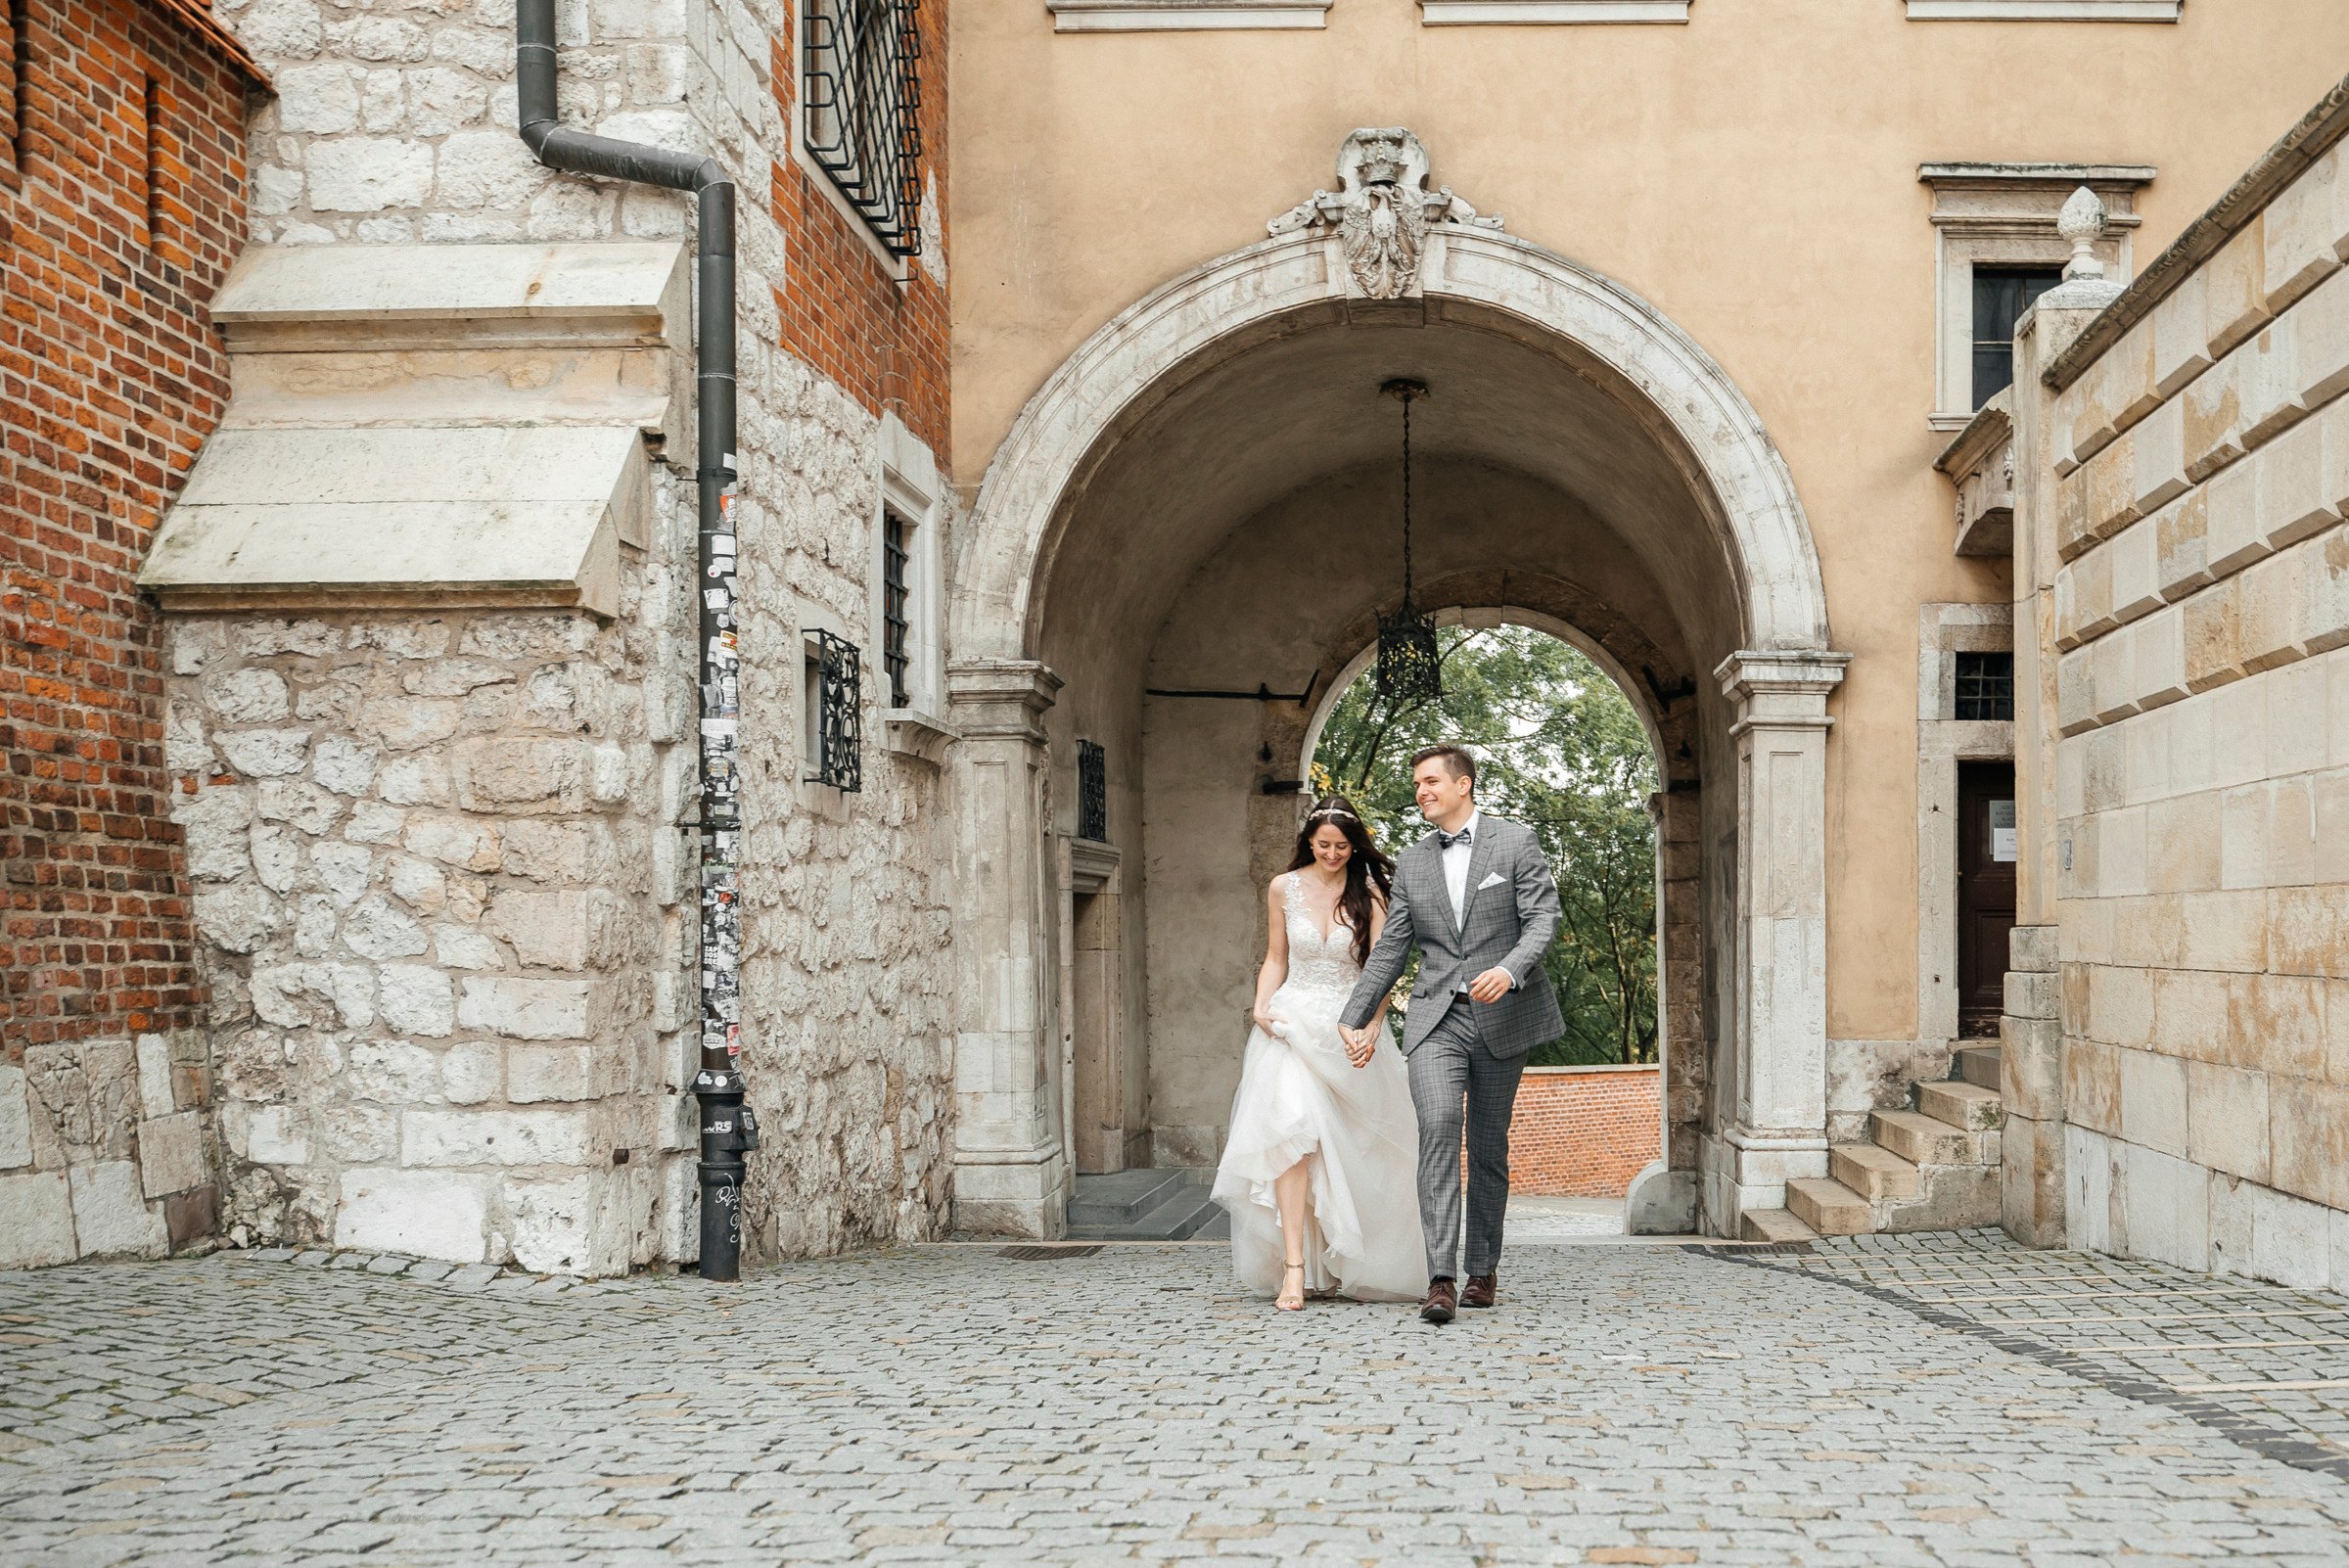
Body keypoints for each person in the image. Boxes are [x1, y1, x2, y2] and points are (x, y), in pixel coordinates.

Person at [1339, 744, 1564, 1324]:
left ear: (1464, 784)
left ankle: (1481, 1270)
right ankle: (1440, 1277)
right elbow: (1393, 946)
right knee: (1437, 1129)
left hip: (1503, 1016)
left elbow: (1543, 919)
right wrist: (1355, 1013)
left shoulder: (1514, 843)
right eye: (1417, 783)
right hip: (1437, 1017)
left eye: (1431, 781)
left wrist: (1510, 969)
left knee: (1488, 1147)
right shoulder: (1412, 862)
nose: (1422, 791)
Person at [1211, 796, 1427, 1310]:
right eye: (1324, 844)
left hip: (1348, 1029)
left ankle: (1345, 1260)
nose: (1332, 854)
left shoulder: (1372, 895)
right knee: (1293, 1136)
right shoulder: (1282, 888)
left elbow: (1384, 968)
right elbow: (1275, 957)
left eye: (1343, 846)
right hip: (1290, 1026)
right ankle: (1294, 1267)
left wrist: (1373, 1027)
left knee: (1357, 1148)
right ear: (1309, 839)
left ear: (1355, 847)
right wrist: (1261, 1006)